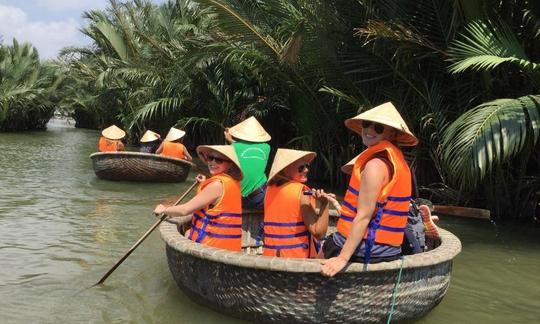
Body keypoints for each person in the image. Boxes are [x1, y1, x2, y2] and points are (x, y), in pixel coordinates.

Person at [321, 102, 419, 277]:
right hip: (390, 246)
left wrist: (342, 258)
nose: (369, 130)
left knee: (326, 247)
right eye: (366, 124)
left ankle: (300, 295)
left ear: (393, 133)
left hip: (373, 246)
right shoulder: (397, 161)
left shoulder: (375, 165)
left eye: (379, 127)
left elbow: (364, 215)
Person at [154, 145, 243, 251]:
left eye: (219, 160)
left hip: (213, 247)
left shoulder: (216, 185)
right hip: (229, 246)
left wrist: (164, 209)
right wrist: (204, 182)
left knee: (187, 234)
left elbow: (184, 210)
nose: (212, 162)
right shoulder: (232, 181)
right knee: (187, 232)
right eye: (210, 158)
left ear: (230, 164)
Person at [263, 148, 331, 258]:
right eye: (301, 168)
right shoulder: (302, 192)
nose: (306, 170)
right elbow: (319, 233)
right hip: (296, 258)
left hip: (270, 256)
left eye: (306, 166)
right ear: (285, 170)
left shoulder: (269, 190)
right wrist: (325, 204)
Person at [224, 116, 271, 209]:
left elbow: (237, 147)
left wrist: (229, 139)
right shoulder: (267, 147)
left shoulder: (232, 148)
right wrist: (231, 141)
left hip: (243, 198)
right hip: (263, 194)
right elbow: (245, 148)